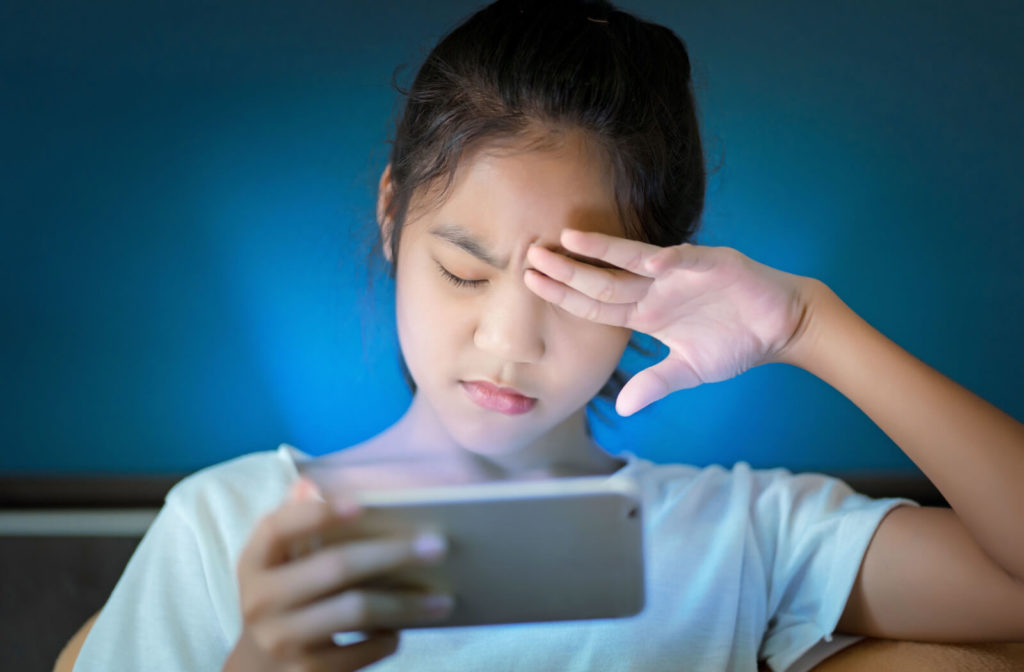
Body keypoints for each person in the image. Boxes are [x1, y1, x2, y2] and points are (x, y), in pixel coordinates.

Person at [66, 1, 1024, 671]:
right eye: (465, 271)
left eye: (572, 287)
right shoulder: (228, 530)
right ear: (393, 215)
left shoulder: (737, 539)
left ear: (657, 276)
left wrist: (814, 326)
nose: (507, 338)